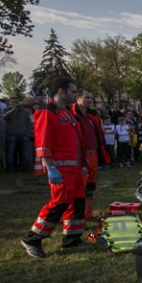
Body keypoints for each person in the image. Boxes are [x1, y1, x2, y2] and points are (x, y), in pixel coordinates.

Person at [21, 76, 90, 258]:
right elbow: (43, 142)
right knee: (58, 204)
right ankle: (32, 238)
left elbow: (76, 141)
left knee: (77, 203)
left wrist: (82, 164)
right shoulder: (48, 112)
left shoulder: (65, 112)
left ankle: (72, 239)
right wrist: (50, 167)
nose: (75, 96)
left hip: (74, 169)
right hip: (61, 169)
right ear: (61, 91)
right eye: (73, 92)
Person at [71, 89, 110, 218]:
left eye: (91, 98)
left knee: (90, 186)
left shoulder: (91, 117)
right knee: (79, 187)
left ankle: (87, 213)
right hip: (81, 156)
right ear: (78, 98)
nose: (90, 100)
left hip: (93, 154)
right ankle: (75, 214)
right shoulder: (71, 115)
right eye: (87, 97)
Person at [2, 98, 33, 171]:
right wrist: (12, 110)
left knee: (24, 153)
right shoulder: (6, 110)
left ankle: (24, 167)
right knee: (10, 152)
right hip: (11, 134)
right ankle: (10, 168)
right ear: (9, 103)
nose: (14, 103)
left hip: (23, 135)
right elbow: (3, 117)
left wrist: (28, 133)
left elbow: (29, 122)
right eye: (12, 102)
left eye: (16, 102)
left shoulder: (24, 111)